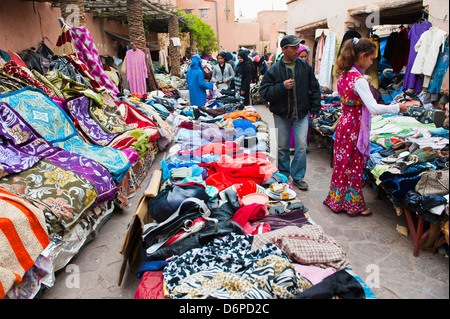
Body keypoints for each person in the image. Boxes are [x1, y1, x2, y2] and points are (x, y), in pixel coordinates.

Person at [323, 37, 408, 217]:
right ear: (362, 56)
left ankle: (337, 200)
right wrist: (396, 108)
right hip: (355, 127)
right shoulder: (358, 79)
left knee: (342, 164)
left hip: (345, 123)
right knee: (354, 164)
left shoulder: (344, 75)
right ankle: (354, 206)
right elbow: (374, 107)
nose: (371, 63)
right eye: (371, 59)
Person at [259, 35, 321, 190]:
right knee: (282, 147)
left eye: (297, 47)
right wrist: (281, 87)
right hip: (281, 114)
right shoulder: (274, 70)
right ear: (284, 49)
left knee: (301, 146)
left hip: (301, 114)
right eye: (293, 47)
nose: (296, 50)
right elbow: (264, 92)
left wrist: (315, 107)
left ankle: (298, 177)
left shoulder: (305, 67)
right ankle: (284, 175)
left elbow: (314, 87)